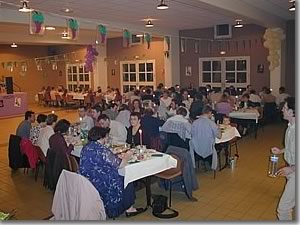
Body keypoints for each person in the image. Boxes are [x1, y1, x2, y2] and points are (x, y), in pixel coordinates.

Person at [79, 127, 143, 218]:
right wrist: (128, 156)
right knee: (127, 179)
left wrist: (114, 156)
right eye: (107, 136)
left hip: (88, 180)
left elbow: (101, 161)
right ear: (102, 138)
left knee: (122, 175)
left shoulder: (87, 147)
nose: (107, 138)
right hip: (103, 182)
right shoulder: (101, 149)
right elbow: (120, 165)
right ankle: (128, 209)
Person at [271, 97, 295, 220]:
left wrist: (292, 168)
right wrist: (281, 151)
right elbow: (291, 147)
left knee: (283, 209)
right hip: (292, 169)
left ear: (292, 112)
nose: (282, 110)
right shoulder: (290, 126)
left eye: (285, 108)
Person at [191, 105, 221, 170]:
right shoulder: (211, 123)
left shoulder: (195, 122)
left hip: (196, 148)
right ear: (209, 113)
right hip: (208, 148)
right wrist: (218, 128)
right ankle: (210, 161)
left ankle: (203, 160)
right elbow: (219, 136)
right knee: (219, 145)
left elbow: (192, 134)